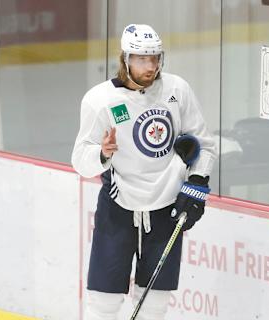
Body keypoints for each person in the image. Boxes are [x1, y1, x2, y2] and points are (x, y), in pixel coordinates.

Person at [71, 24, 217, 320]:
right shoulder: (100, 101)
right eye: (141, 58)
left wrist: (197, 183)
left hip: (167, 211)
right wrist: (102, 153)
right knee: (104, 302)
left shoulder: (177, 89)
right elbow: (80, 160)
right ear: (125, 59)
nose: (151, 66)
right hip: (118, 209)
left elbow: (203, 143)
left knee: (155, 304)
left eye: (155, 58)